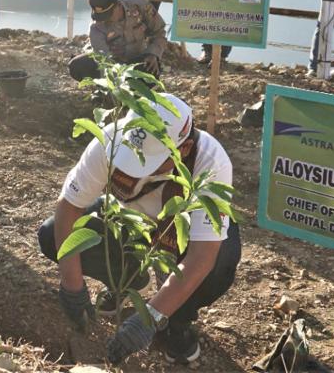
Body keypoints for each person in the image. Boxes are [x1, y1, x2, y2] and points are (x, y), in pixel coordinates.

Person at [37, 93, 241, 364]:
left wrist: (150, 318)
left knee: (218, 264)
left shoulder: (211, 163)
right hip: (129, 224)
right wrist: (72, 285)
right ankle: (129, 278)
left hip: (183, 235)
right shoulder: (111, 140)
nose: (137, 170)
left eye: (151, 161)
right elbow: (69, 208)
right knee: (52, 235)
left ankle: (176, 321)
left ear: (184, 149)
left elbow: (202, 256)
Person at [69, 0, 168, 81]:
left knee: (152, 69)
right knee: (76, 66)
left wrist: (152, 54)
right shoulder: (96, 28)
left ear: (117, 6)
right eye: (101, 16)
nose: (104, 19)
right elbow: (104, 62)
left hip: (136, 60)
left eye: (107, 14)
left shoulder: (139, 4)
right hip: (112, 63)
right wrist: (112, 85)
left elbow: (159, 31)